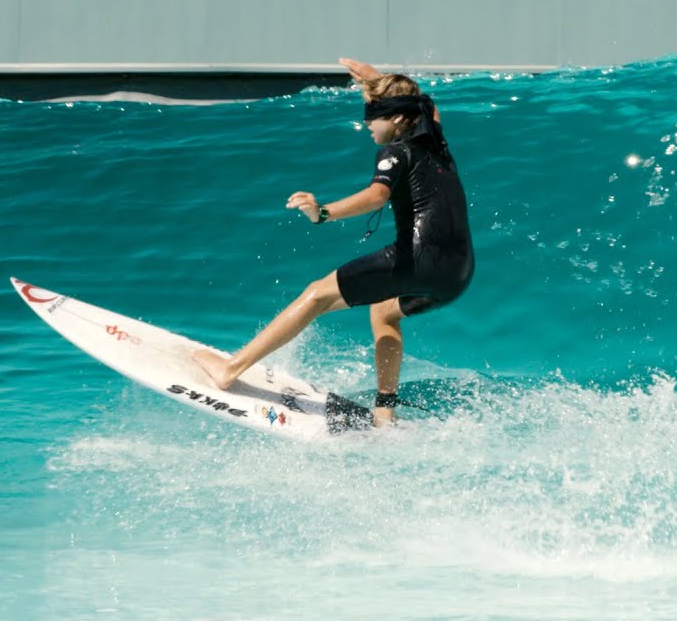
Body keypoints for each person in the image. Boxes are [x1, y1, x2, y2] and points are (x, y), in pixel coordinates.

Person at [194, 57, 474, 426]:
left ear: (399, 119)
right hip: (459, 272)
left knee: (315, 294)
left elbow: (376, 196)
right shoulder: (438, 146)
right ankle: (384, 410)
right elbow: (426, 107)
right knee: (384, 311)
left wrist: (322, 212)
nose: (367, 122)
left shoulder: (395, 151)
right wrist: (378, 81)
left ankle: (230, 368)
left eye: (374, 114)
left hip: (417, 258)